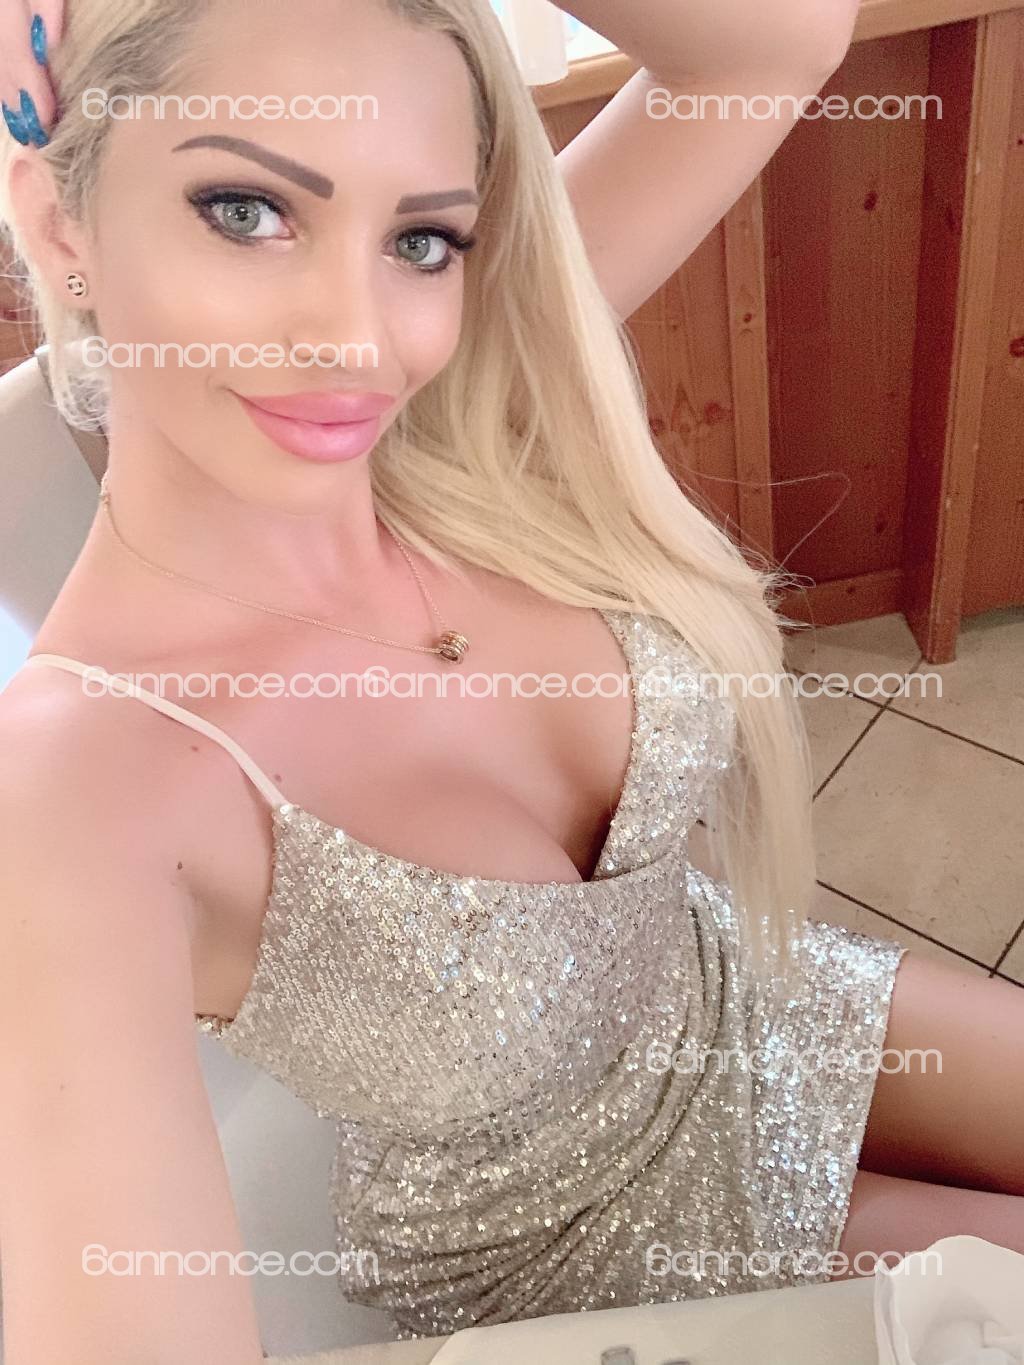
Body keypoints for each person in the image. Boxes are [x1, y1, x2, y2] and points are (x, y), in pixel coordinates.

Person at [1, 1, 1022, 1361]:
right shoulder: (72, 792)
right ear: (62, 224)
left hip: (740, 999)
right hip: (592, 1240)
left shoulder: (459, 418)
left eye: (422, 239)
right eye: (246, 211)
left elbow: (776, 41)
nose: (360, 341)